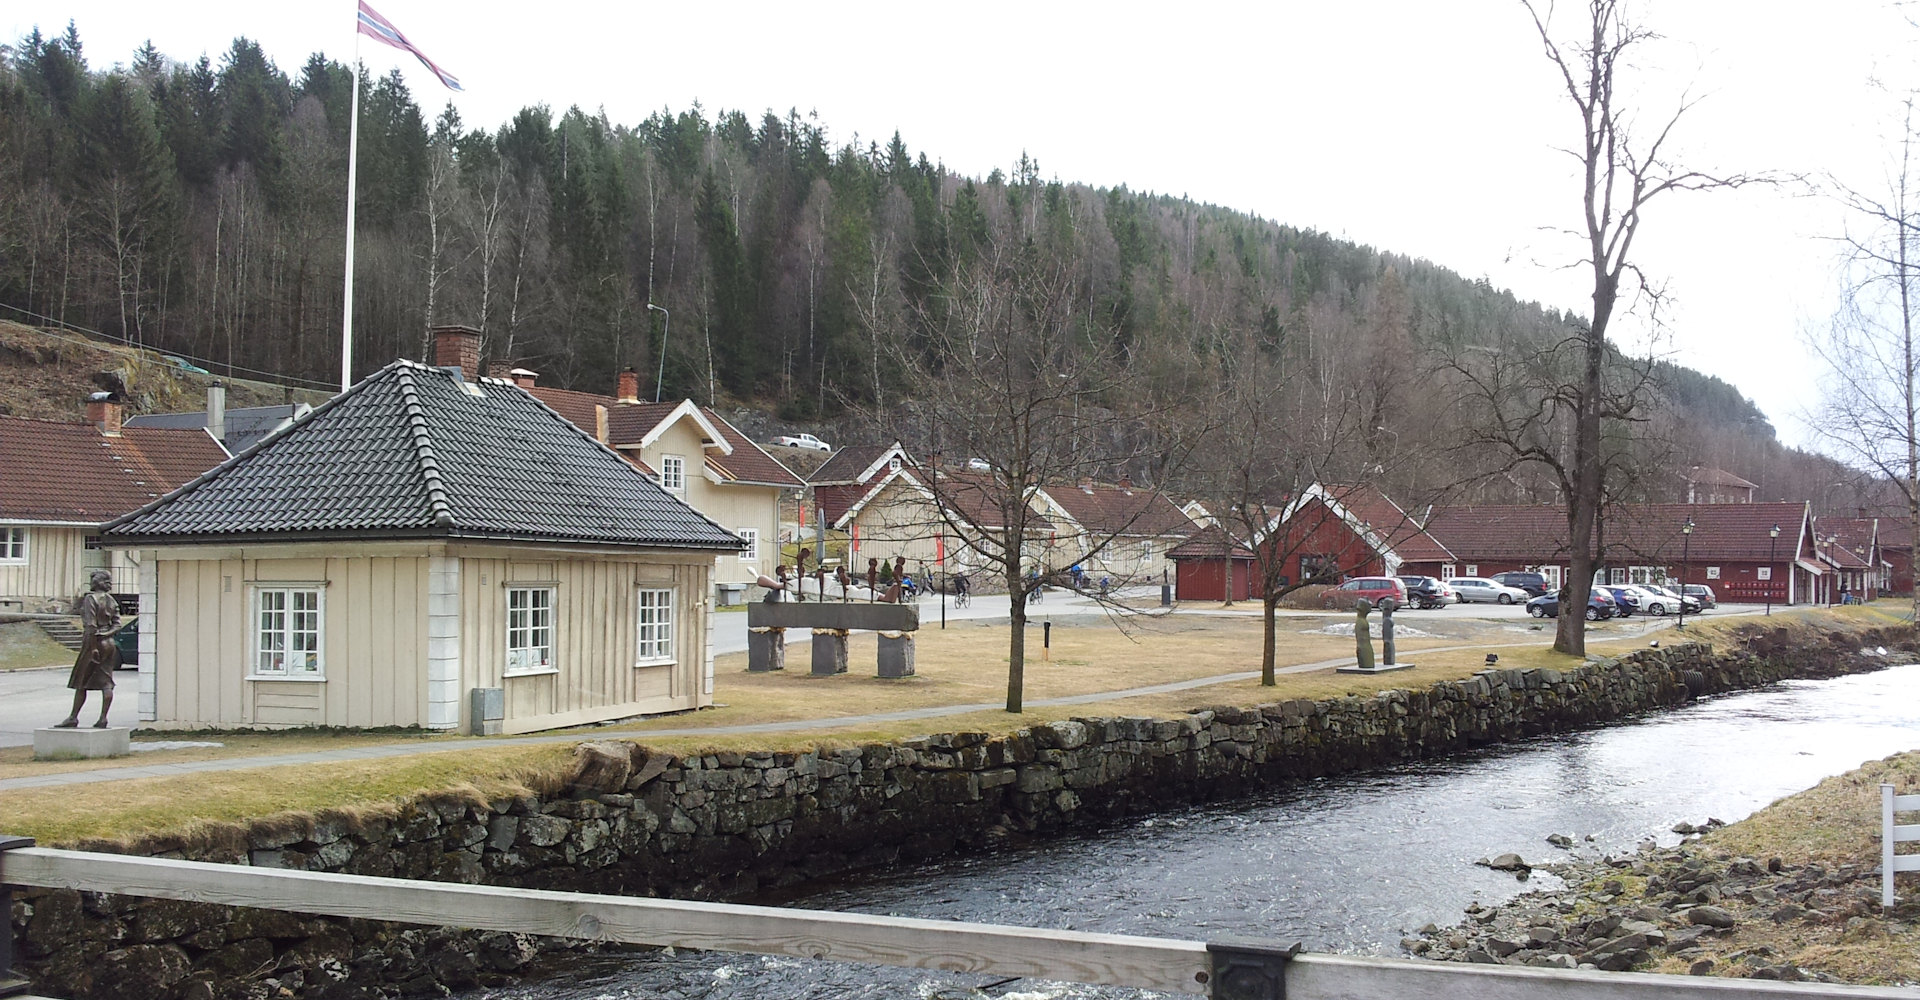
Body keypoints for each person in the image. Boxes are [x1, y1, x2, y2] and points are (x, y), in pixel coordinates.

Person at [58, 569, 120, 729]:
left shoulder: (90, 599)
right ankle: (103, 718)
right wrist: (107, 633)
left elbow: (91, 625)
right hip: (109, 643)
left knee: (81, 681)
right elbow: (117, 624)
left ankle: (73, 717)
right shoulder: (111, 601)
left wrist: (93, 647)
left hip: (93, 642)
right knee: (106, 681)